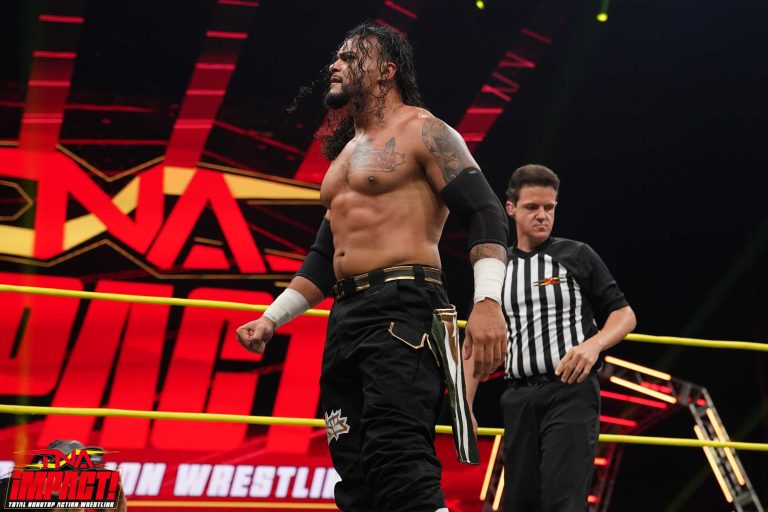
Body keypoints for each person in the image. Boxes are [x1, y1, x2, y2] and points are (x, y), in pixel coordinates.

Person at [236, 22, 509, 512]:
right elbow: (325, 258)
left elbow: (485, 212)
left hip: (403, 308)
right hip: (347, 317)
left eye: (350, 56)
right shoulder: (346, 154)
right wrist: (271, 318)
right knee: (355, 469)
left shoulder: (424, 131)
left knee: (397, 454)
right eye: (336, 56)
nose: (335, 64)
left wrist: (488, 302)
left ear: (386, 71)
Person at [464, 164, 637, 511]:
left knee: (564, 501)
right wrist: (465, 409)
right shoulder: (497, 269)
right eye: (532, 207)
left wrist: (594, 344)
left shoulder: (577, 254)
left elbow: (625, 315)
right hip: (517, 398)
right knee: (518, 502)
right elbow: (475, 343)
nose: (542, 215)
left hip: (570, 391)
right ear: (510, 208)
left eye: (549, 207)